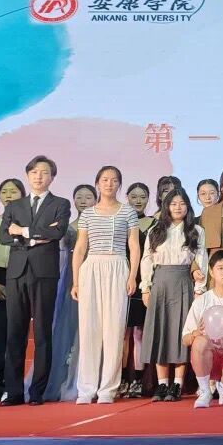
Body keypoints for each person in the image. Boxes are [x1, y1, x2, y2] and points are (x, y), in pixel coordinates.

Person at [0, 155, 72, 406]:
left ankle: (37, 391)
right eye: (34, 172)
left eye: (44, 172)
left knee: (42, 333)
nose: (38, 176)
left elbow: (57, 231)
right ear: (27, 175)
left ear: (52, 177)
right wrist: (37, 236)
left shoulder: (60, 203)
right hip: (16, 273)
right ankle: (14, 391)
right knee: (14, 332)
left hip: (44, 273)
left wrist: (23, 231)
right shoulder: (14, 205)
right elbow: (4, 236)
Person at [71, 165, 140, 404]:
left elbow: (134, 246)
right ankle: (86, 388)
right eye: (104, 179)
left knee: (114, 329)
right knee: (89, 328)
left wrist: (132, 276)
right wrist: (76, 281)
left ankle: (108, 389)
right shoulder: (87, 214)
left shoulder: (128, 212)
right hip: (91, 267)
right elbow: (80, 248)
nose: (109, 184)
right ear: (97, 183)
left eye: (114, 180)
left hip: (117, 265)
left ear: (119, 184)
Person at [141, 188, 208, 402]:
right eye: (173, 203)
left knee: (181, 331)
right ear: (166, 206)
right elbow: (147, 259)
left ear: (188, 206)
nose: (178, 207)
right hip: (159, 283)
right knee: (160, 331)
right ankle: (162, 384)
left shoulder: (196, 230)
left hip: (183, 282)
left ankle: (177, 384)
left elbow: (201, 259)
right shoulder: (155, 230)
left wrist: (199, 289)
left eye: (182, 203)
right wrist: (145, 287)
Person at [45, 183, 95, 402]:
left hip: (92, 277)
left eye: (88, 197)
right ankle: (61, 378)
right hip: (67, 280)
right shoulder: (66, 225)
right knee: (66, 327)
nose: (83, 201)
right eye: (79, 197)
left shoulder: (98, 225)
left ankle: (85, 378)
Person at [182, 250, 223, 409]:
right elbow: (185, 339)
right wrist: (196, 333)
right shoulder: (202, 301)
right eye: (220, 268)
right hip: (209, 356)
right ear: (211, 272)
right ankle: (205, 391)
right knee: (200, 342)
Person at [0, 177, 25, 402]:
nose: (9, 195)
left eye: (13, 191)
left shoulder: (28, 225)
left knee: (17, 334)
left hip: (23, 277)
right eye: (4, 191)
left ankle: (14, 384)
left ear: (23, 195)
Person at [121, 181, 154, 397]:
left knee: (139, 333)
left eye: (142, 196)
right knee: (123, 334)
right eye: (133, 196)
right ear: (127, 198)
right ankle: (123, 379)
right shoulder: (120, 221)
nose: (138, 201)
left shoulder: (154, 223)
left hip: (145, 282)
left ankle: (139, 380)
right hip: (121, 281)